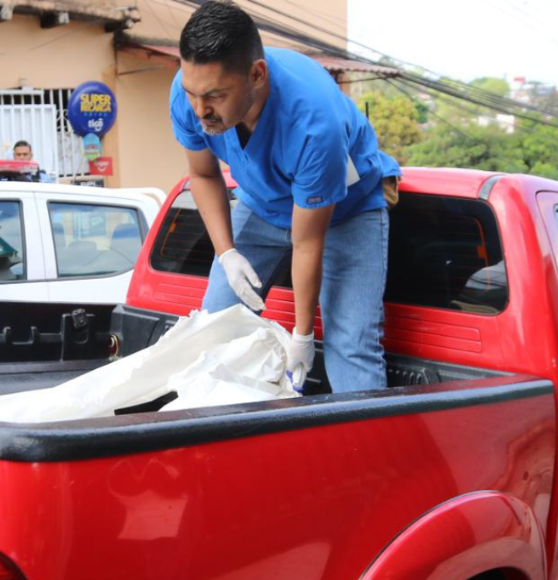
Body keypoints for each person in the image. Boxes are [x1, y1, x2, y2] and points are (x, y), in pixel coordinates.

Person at [170, 0, 401, 393]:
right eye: (192, 93)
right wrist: (227, 254)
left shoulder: (313, 123)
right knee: (213, 327)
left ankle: (364, 448)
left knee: (350, 344)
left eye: (213, 96)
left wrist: (303, 334)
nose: (199, 109)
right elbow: (203, 173)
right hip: (261, 204)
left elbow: (307, 242)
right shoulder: (190, 94)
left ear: (257, 75)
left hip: (345, 211)